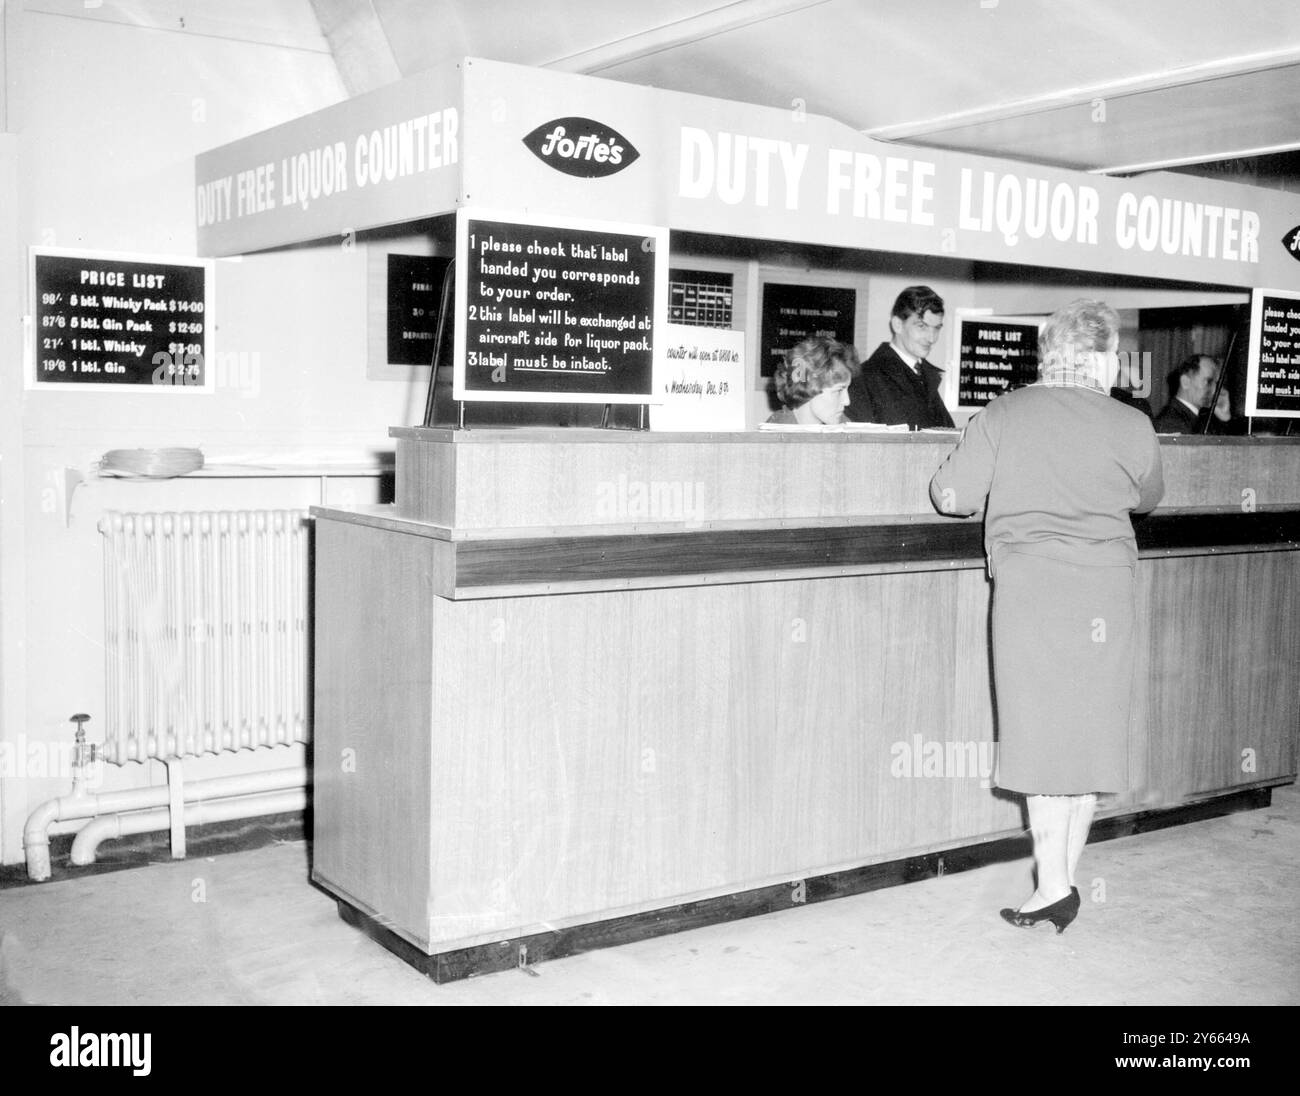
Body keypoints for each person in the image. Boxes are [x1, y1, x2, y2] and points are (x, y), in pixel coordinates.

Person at [929, 299, 1164, 934]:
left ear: (1049, 356)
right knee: (1084, 736)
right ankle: (1058, 886)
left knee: (1038, 736)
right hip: (1105, 594)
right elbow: (1149, 495)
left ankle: (1054, 886)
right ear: (1098, 358)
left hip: (1032, 593)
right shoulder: (1131, 423)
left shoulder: (1005, 412)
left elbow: (950, 496)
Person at [845, 286, 954, 429]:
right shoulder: (865, 378)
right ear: (897, 325)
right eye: (922, 326)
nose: (932, 338)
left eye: (937, 328)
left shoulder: (925, 376)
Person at [767, 337, 859, 424]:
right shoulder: (774, 435)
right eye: (839, 390)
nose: (847, 401)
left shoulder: (843, 425)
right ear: (810, 386)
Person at [1153, 353, 1217, 433]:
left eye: (1216, 383)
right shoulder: (1171, 423)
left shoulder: (1199, 419)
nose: (1214, 390)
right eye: (1208, 382)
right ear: (1185, 382)